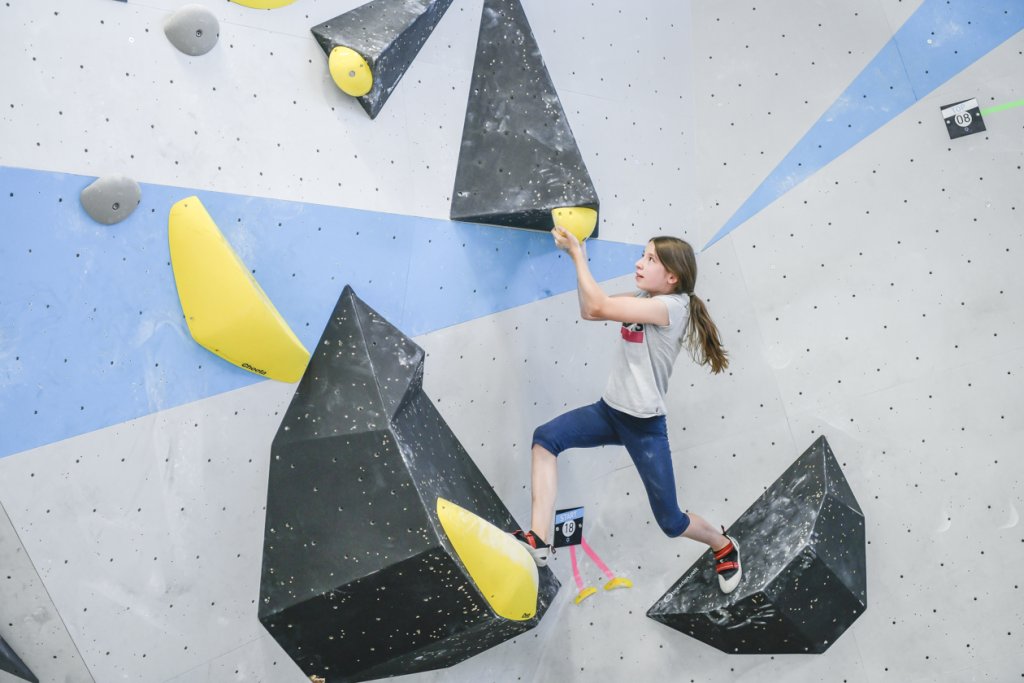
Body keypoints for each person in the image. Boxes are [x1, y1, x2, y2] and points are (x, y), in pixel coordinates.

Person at [512, 226, 742, 594]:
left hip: (644, 426)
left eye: (650, 259)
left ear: (672, 276)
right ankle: (539, 539)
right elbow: (592, 309)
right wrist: (579, 259)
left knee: (670, 521)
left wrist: (577, 254)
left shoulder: (671, 307)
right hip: (609, 412)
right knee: (545, 439)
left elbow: (600, 305)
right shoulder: (644, 296)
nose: (639, 262)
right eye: (643, 254)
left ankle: (723, 544)